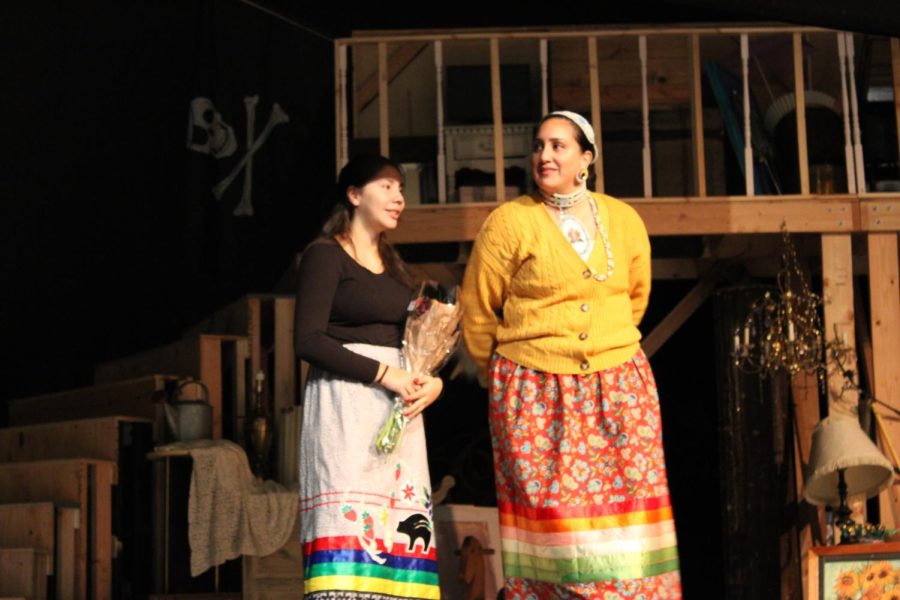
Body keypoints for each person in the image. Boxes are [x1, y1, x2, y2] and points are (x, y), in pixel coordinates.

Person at [461, 111, 681, 598]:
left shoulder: (622, 219)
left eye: (559, 146)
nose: (545, 155)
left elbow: (636, 297)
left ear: (587, 158)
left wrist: (610, 345)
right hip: (535, 392)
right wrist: (495, 379)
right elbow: (478, 312)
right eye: (539, 146)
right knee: (555, 532)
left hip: (618, 385)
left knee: (628, 521)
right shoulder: (509, 222)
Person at [294, 154, 443, 599]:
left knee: (402, 527)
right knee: (348, 526)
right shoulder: (325, 256)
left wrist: (432, 381)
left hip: (397, 411)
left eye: (401, 188)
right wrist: (385, 374)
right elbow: (308, 341)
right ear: (354, 195)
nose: (398, 197)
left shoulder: (396, 269)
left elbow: (418, 340)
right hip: (347, 405)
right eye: (386, 186)